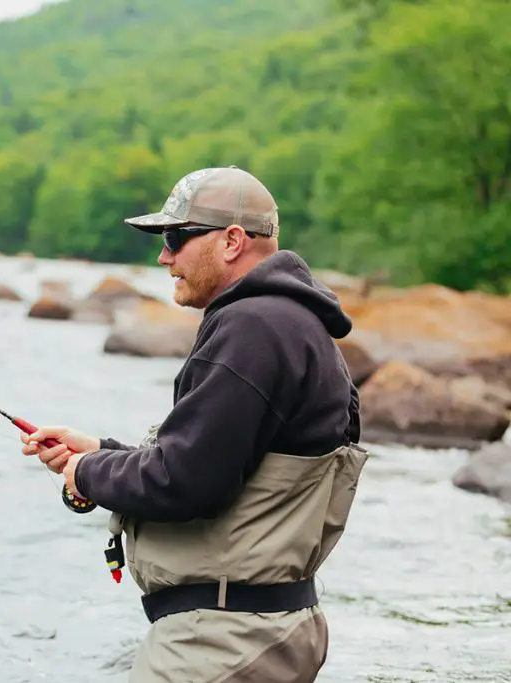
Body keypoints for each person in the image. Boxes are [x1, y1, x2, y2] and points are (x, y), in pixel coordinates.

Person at [21, 166, 368, 683]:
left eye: (175, 238)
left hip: (223, 640)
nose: (164, 257)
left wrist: (85, 473)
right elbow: (220, 457)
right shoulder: (291, 323)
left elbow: (183, 481)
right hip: (260, 627)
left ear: (231, 241)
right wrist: (98, 451)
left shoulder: (252, 328)